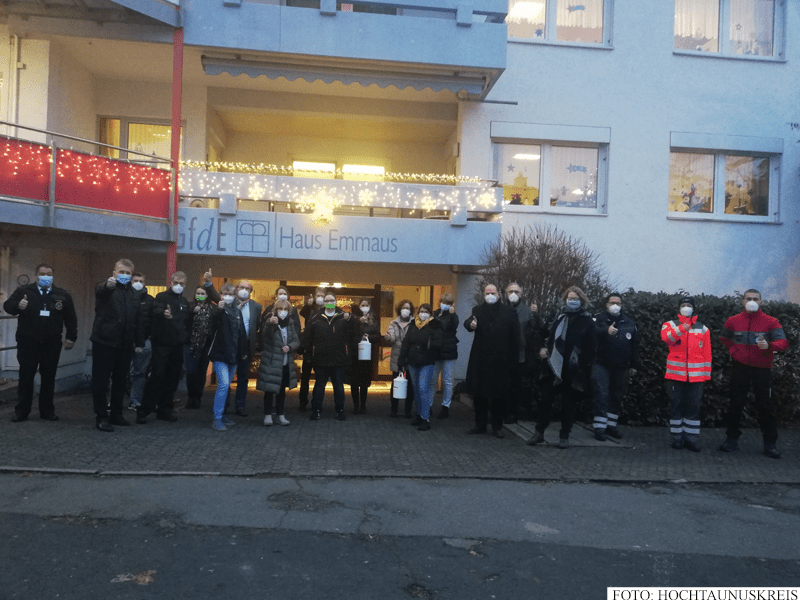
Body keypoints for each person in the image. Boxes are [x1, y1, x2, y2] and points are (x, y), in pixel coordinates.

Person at [718, 289, 789, 459]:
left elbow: (783, 342)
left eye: (755, 299)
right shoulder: (733, 321)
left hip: (762, 370)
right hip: (740, 367)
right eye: (748, 298)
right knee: (735, 404)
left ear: (761, 302)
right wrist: (734, 351)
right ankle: (731, 440)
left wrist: (770, 346)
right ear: (743, 302)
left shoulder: (771, 322)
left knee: (766, 406)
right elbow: (724, 338)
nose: (752, 301)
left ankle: (770, 444)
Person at [3, 263, 77, 423]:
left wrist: (72, 337)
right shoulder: (24, 292)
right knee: (26, 377)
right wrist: (18, 305)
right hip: (28, 343)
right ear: (36, 276)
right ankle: (22, 411)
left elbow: (71, 318)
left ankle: (47, 411)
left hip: (51, 344)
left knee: (49, 378)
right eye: (42, 274)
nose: (45, 277)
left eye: (48, 274)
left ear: (53, 276)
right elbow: (7, 307)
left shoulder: (62, 294)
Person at [527, 286, 596, 449]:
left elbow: (591, 347)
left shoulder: (587, 320)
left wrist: (582, 363)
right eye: (569, 298)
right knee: (545, 400)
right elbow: (544, 334)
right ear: (565, 300)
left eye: (575, 298)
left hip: (573, 369)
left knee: (568, 403)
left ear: (582, 300)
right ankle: (539, 433)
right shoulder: (558, 316)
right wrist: (543, 348)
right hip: (553, 365)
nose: (572, 301)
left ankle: (564, 436)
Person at [90, 259, 145, 432]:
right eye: (121, 272)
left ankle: (116, 414)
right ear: (114, 273)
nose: (124, 275)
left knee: (120, 381)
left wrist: (139, 342)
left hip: (125, 344)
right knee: (101, 381)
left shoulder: (134, 294)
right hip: (105, 342)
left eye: (128, 273)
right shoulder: (107, 288)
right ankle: (101, 417)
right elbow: (101, 290)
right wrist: (108, 285)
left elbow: (137, 320)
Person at [464, 284, 520, 439]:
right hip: (480, 359)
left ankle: (497, 426)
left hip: (501, 360)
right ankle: (480, 425)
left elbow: (515, 337)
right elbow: (468, 322)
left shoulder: (509, 312)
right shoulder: (478, 310)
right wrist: (471, 325)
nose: (490, 295)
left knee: (499, 395)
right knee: (479, 394)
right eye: (487, 293)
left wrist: (513, 360)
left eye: (492, 292)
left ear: (499, 294)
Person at [137, 271, 191, 424]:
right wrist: (163, 313)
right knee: (156, 377)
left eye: (181, 284)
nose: (178, 286)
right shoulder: (161, 297)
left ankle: (165, 410)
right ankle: (144, 410)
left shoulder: (185, 302)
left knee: (172, 379)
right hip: (161, 345)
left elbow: (187, 322)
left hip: (178, 346)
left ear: (185, 285)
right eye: (176, 283)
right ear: (170, 282)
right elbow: (156, 310)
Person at [659, 296, 711, 452]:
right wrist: (683, 327)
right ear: (679, 308)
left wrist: (706, 375)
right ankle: (677, 438)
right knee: (676, 406)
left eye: (689, 305)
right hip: (675, 375)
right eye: (684, 305)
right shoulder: (670, 325)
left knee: (693, 407)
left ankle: (691, 439)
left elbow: (707, 354)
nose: (686, 307)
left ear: (693, 308)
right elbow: (666, 338)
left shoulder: (703, 328)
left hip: (697, 377)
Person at [590, 293, 641, 441]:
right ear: (607, 304)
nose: (615, 305)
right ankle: (599, 428)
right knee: (601, 394)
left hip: (622, 366)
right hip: (601, 364)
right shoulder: (598, 318)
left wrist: (634, 365)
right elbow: (590, 332)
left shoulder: (629, 322)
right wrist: (605, 331)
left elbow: (635, 345)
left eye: (618, 303)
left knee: (616, 396)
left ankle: (611, 426)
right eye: (612, 302)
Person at [303, 292, 352, 420]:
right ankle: (316, 410)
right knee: (319, 386)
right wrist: (308, 354)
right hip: (320, 359)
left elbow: (353, 333)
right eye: (327, 300)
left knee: (338, 386)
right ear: (324, 303)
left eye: (332, 300)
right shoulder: (315, 318)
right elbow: (308, 337)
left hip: (339, 359)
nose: (329, 302)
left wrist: (352, 318)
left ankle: (340, 410)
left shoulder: (343, 317)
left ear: (336, 302)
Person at [398, 304, 442, 431]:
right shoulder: (413, 324)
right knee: (416, 389)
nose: (423, 314)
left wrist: (429, 344)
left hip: (427, 361)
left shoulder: (435, 325)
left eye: (426, 312)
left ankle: (425, 418)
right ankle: (419, 414)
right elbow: (406, 342)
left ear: (430, 313)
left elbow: (438, 342)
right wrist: (402, 359)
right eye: (421, 311)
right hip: (412, 361)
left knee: (423, 389)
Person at [256, 298, 300, 426]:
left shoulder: (290, 324)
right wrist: (270, 324)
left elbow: (296, 340)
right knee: (269, 391)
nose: (282, 312)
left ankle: (281, 415)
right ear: (275, 310)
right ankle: (268, 415)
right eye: (280, 309)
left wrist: (290, 347)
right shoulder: (270, 321)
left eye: (285, 309)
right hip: (271, 362)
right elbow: (266, 336)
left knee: (281, 392)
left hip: (285, 362)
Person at [208, 284, 245, 431]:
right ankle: (217, 418)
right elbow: (212, 325)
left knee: (226, 386)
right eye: (224, 293)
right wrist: (218, 310)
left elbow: (241, 332)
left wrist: (243, 352)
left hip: (234, 355)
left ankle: (221, 415)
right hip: (220, 354)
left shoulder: (237, 311)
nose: (227, 296)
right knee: (223, 385)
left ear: (235, 295)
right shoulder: (219, 310)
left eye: (230, 294)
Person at [504, 283, 540, 424]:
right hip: (502, 353)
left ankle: (512, 413)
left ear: (521, 294)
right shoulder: (501, 309)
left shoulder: (526, 310)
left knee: (515, 386)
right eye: (510, 291)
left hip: (519, 355)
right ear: (506, 294)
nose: (513, 294)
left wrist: (536, 315)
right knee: (502, 385)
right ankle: (500, 412)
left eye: (516, 291)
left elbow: (537, 328)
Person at [229, 280, 262, 417]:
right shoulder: (228, 303)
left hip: (246, 346)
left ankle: (240, 405)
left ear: (250, 292)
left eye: (247, 288)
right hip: (230, 345)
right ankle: (223, 404)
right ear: (236, 289)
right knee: (227, 377)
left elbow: (257, 326)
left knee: (243, 378)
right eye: (241, 287)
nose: (244, 290)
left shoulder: (256, 307)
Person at [184, 283, 216, 409]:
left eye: (203, 294)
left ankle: (198, 397)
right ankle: (190, 396)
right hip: (190, 344)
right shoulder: (190, 306)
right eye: (198, 293)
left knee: (202, 372)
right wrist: (192, 313)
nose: (200, 296)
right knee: (191, 371)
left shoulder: (212, 309)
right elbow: (184, 323)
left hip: (206, 344)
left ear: (207, 295)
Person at [347, 297, 381, 415]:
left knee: (364, 382)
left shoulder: (374, 319)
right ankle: (356, 405)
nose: (365, 307)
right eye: (362, 305)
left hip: (367, 356)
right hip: (355, 354)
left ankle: (363, 405)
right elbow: (349, 334)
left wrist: (368, 337)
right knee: (354, 382)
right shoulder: (354, 319)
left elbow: (377, 336)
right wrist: (358, 323)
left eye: (367, 305)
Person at [297, 286, 327, 411]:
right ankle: (303, 402)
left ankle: (317, 402)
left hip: (321, 348)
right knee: (305, 378)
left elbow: (337, 312)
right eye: (318, 295)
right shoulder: (311, 307)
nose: (319, 298)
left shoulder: (328, 307)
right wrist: (308, 304)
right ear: (314, 296)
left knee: (320, 378)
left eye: (322, 296)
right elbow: (302, 313)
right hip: (309, 347)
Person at [385, 299, 415, 418]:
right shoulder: (394, 323)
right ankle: (394, 410)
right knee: (396, 384)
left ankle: (408, 411)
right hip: (397, 358)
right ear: (399, 310)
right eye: (403, 308)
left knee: (410, 385)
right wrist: (388, 337)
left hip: (410, 357)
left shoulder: (415, 323)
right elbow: (392, 337)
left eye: (408, 308)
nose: (405, 310)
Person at [430, 293, 459, 419]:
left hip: (449, 352)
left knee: (447, 381)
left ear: (452, 304)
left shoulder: (453, 317)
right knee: (432, 381)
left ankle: (445, 407)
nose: (445, 305)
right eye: (443, 302)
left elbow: (454, 327)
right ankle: (429, 406)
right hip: (436, 352)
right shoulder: (435, 314)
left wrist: (452, 315)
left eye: (448, 303)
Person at [128, 272, 154, 411]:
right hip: (124, 342)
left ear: (145, 283)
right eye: (135, 280)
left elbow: (153, 321)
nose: (138, 283)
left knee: (139, 373)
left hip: (144, 342)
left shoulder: (150, 300)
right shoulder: (123, 297)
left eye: (141, 280)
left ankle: (135, 401)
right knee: (118, 373)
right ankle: (114, 401)